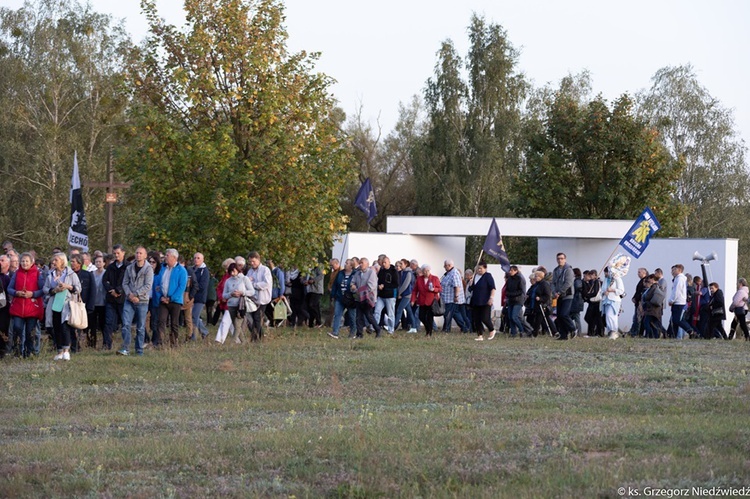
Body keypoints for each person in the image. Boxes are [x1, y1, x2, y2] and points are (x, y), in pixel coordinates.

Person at [44, 253, 81, 361]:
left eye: (56, 260)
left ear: (62, 261)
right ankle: (59, 351)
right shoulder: (50, 274)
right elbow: (45, 289)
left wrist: (68, 286)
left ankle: (66, 350)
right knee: (56, 327)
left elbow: (78, 288)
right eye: (53, 260)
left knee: (65, 327)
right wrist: (54, 290)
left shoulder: (71, 274)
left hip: (67, 303)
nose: (53, 262)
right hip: (54, 303)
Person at [7, 252, 45, 357]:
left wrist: (32, 294)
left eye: (27, 261)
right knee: (17, 327)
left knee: (30, 331)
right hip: (18, 307)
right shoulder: (17, 273)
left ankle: (30, 352)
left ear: (32, 262)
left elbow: (43, 290)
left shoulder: (37, 274)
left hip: (32, 307)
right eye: (22, 261)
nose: (24, 263)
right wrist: (16, 293)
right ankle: (18, 351)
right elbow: (9, 288)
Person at [118, 246, 154, 356]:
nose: (138, 255)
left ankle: (139, 350)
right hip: (129, 300)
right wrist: (130, 294)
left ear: (145, 256)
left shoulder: (148, 269)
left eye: (140, 253)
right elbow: (125, 283)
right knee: (126, 324)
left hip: (142, 301)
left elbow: (148, 285)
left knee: (140, 327)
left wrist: (137, 294)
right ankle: (125, 348)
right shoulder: (130, 268)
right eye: (137, 253)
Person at [215, 263, 255, 344]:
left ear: (238, 270)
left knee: (237, 325)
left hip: (241, 305)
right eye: (230, 272)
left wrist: (242, 293)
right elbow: (224, 295)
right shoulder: (228, 281)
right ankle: (244, 342)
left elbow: (252, 291)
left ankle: (232, 343)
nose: (232, 274)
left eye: (234, 271)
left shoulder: (244, 279)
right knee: (235, 325)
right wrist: (231, 294)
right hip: (230, 305)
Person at [157, 248, 187, 347]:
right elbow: (159, 282)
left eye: (167, 255)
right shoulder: (163, 268)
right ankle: (160, 342)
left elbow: (181, 287)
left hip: (175, 301)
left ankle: (173, 343)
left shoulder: (181, 270)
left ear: (174, 257)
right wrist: (161, 295)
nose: (165, 257)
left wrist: (170, 298)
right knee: (161, 321)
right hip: (163, 299)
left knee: (174, 323)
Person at [102, 244, 127, 350]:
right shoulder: (111, 267)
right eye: (115, 253)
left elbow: (127, 281)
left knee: (125, 322)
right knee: (108, 321)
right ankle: (107, 344)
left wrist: (119, 290)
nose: (116, 255)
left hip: (123, 299)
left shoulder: (128, 267)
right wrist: (111, 290)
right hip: (111, 299)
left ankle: (126, 344)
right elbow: (104, 280)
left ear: (123, 253)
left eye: (118, 253)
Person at [246, 251, 272, 341]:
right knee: (253, 318)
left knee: (257, 317)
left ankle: (256, 338)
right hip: (253, 299)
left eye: (253, 261)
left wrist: (254, 284)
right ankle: (259, 336)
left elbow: (266, 284)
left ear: (258, 259)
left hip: (262, 299)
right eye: (250, 262)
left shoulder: (265, 270)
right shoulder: (250, 271)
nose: (252, 264)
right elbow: (246, 282)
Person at [351, 257, 381, 338]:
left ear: (367, 264)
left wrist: (358, 290)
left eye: (362, 263)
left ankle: (378, 330)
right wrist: (353, 287)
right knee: (358, 317)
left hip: (367, 299)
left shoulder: (371, 273)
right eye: (360, 263)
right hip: (358, 298)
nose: (360, 264)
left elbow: (371, 286)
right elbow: (352, 283)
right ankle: (359, 334)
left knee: (369, 316)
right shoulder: (357, 273)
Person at [328, 259, 357, 339]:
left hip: (350, 299)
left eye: (347, 263)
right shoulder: (340, 273)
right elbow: (335, 285)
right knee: (337, 314)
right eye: (345, 263)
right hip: (340, 297)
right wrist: (333, 295)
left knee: (352, 316)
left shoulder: (355, 274)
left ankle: (353, 332)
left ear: (351, 266)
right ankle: (335, 332)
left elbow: (358, 284)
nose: (345, 264)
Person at [70, 254, 93, 352]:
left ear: (79, 263)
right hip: (70, 304)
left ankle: (80, 345)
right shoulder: (68, 274)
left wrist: (90, 305)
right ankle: (73, 346)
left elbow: (92, 291)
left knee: (79, 326)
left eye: (73, 261)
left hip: (82, 304)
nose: (71, 263)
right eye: (71, 261)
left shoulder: (87, 275)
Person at [411, 264, 442, 337]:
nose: (426, 272)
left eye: (428, 271)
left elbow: (440, 289)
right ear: (422, 271)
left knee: (429, 317)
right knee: (421, 316)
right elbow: (415, 290)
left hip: (431, 301)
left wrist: (434, 289)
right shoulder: (419, 279)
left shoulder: (434, 278)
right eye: (425, 271)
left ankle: (429, 332)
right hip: (422, 301)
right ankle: (427, 328)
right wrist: (413, 300)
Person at [468, 261, 496, 341]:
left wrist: (491, 298)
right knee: (476, 319)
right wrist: (470, 284)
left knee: (485, 318)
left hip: (485, 301)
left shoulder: (488, 276)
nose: (479, 270)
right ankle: (480, 335)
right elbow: (472, 289)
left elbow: (493, 288)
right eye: (478, 268)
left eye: (480, 268)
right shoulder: (475, 276)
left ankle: (492, 330)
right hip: (476, 300)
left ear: (485, 268)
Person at [440, 259, 470, 333]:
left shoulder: (454, 273)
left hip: (451, 298)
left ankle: (446, 329)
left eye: (445, 265)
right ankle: (464, 328)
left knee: (448, 314)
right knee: (454, 314)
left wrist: (456, 297)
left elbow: (457, 286)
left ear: (449, 265)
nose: (444, 267)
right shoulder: (448, 273)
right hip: (447, 298)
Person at [668, 264, 696, 340]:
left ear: (679, 270)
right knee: (674, 320)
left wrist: (671, 300)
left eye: (674, 270)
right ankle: (673, 335)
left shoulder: (679, 279)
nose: (672, 272)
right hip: (677, 302)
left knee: (678, 320)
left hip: (678, 302)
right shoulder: (678, 279)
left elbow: (677, 291)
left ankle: (690, 331)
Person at [552, 253, 576, 339]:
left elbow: (568, 283)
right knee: (559, 316)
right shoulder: (555, 270)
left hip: (567, 295)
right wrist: (554, 292)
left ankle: (573, 328)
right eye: (558, 258)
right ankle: (563, 335)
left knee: (564, 314)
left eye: (562, 258)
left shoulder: (568, 270)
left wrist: (559, 292)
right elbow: (553, 283)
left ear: (565, 259)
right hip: (559, 296)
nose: (560, 260)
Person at [374, 256, 398, 334]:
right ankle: (374, 327)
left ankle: (391, 329)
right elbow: (378, 280)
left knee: (390, 314)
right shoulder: (381, 271)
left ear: (389, 262)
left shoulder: (394, 271)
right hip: (381, 296)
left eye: (385, 262)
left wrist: (385, 286)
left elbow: (396, 284)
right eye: (383, 262)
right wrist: (379, 286)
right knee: (377, 311)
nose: (384, 264)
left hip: (390, 296)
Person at [190, 252, 210, 340]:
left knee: (194, 316)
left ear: (202, 259)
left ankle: (193, 336)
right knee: (193, 316)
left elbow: (203, 286)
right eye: (195, 258)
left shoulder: (205, 271)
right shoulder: (192, 269)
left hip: (200, 297)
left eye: (198, 258)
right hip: (191, 296)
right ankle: (204, 332)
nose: (196, 260)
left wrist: (194, 287)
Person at [601, 267, 625, 339]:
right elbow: (602, 289)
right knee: (609, 316)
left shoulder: (617, 279)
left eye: (606, 272)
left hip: (614, 300)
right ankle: (611, 331)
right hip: (606, 300)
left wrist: (612, 290)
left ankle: (613, 330)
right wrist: (604, 292)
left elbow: (621, 290)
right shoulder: (606, 280)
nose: (605, 274)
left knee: (610, 315)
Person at [394, 259, 417, 334]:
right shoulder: (403, 272)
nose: (400, 265)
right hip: (404, 294)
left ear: (406, 264)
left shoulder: (408, 273)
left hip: (407, 295)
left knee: (399, 310)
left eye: (401, 263)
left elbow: (405, 285)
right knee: (409, 311)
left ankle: (393, 326)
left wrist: (399, 293)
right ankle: (414, 327)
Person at [89, 254, 107, 348]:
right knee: (92, 324)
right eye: (96, 262)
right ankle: (92, 343)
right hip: (93, 302)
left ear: (104, 263)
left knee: (103, 324)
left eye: (100, 261)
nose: (98, 263)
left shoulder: (106, 273)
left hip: (103, 302)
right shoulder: (91, 274)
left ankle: (105, 343)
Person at [504, 266, 526, 338]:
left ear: (516, 271)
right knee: (510, 317)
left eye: (512, 270)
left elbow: (521, 290)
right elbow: (506, 289)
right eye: (510, 270)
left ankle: (521, 330)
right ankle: (513, 332)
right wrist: (508, 294)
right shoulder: (509, 280)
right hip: (511, 300)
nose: (510, 272)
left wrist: (513, 294)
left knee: (514, 317)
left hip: (518, 300)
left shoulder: (520, 279)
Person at [641, 274, 665, 339]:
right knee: (653, 323)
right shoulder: (656, 287)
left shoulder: (654, 287)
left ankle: (649, 335)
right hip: (653, 309)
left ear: (653, 280)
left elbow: (648, 296)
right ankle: (655, 335)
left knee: (646, 322)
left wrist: (645, 299)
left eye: (649, 280)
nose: (648, 281)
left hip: (652, 309)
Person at [628, 268, 649, 337]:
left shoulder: (645, 281)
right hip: (637, 302)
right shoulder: (641, 281)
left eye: (639, 272)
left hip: (640, 303)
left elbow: (641, 292)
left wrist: (638, 300)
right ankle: (634, 332)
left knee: (637, 319)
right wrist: (634, 298)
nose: (638, 274)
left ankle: (635, 333)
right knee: (636, 318)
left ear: (644, 273)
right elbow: (637, 292)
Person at [147, 252, 162, 345]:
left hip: (156, 300)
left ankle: (155, 341)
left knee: (155, 321)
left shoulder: (160, 273)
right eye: (150, 262)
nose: (151, 264)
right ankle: (145, 338)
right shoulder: (145, 272)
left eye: (153, 262)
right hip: (145, 299)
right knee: (141, 320)